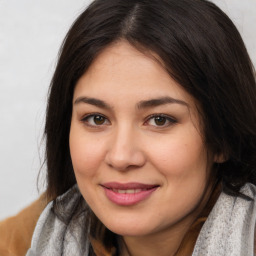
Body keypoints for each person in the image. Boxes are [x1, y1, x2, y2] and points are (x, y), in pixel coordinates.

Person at [21, 0, 256, 255]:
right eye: (96, 119)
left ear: (223, 138)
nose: (121, 157)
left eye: (159, 120)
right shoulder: (18, 240)